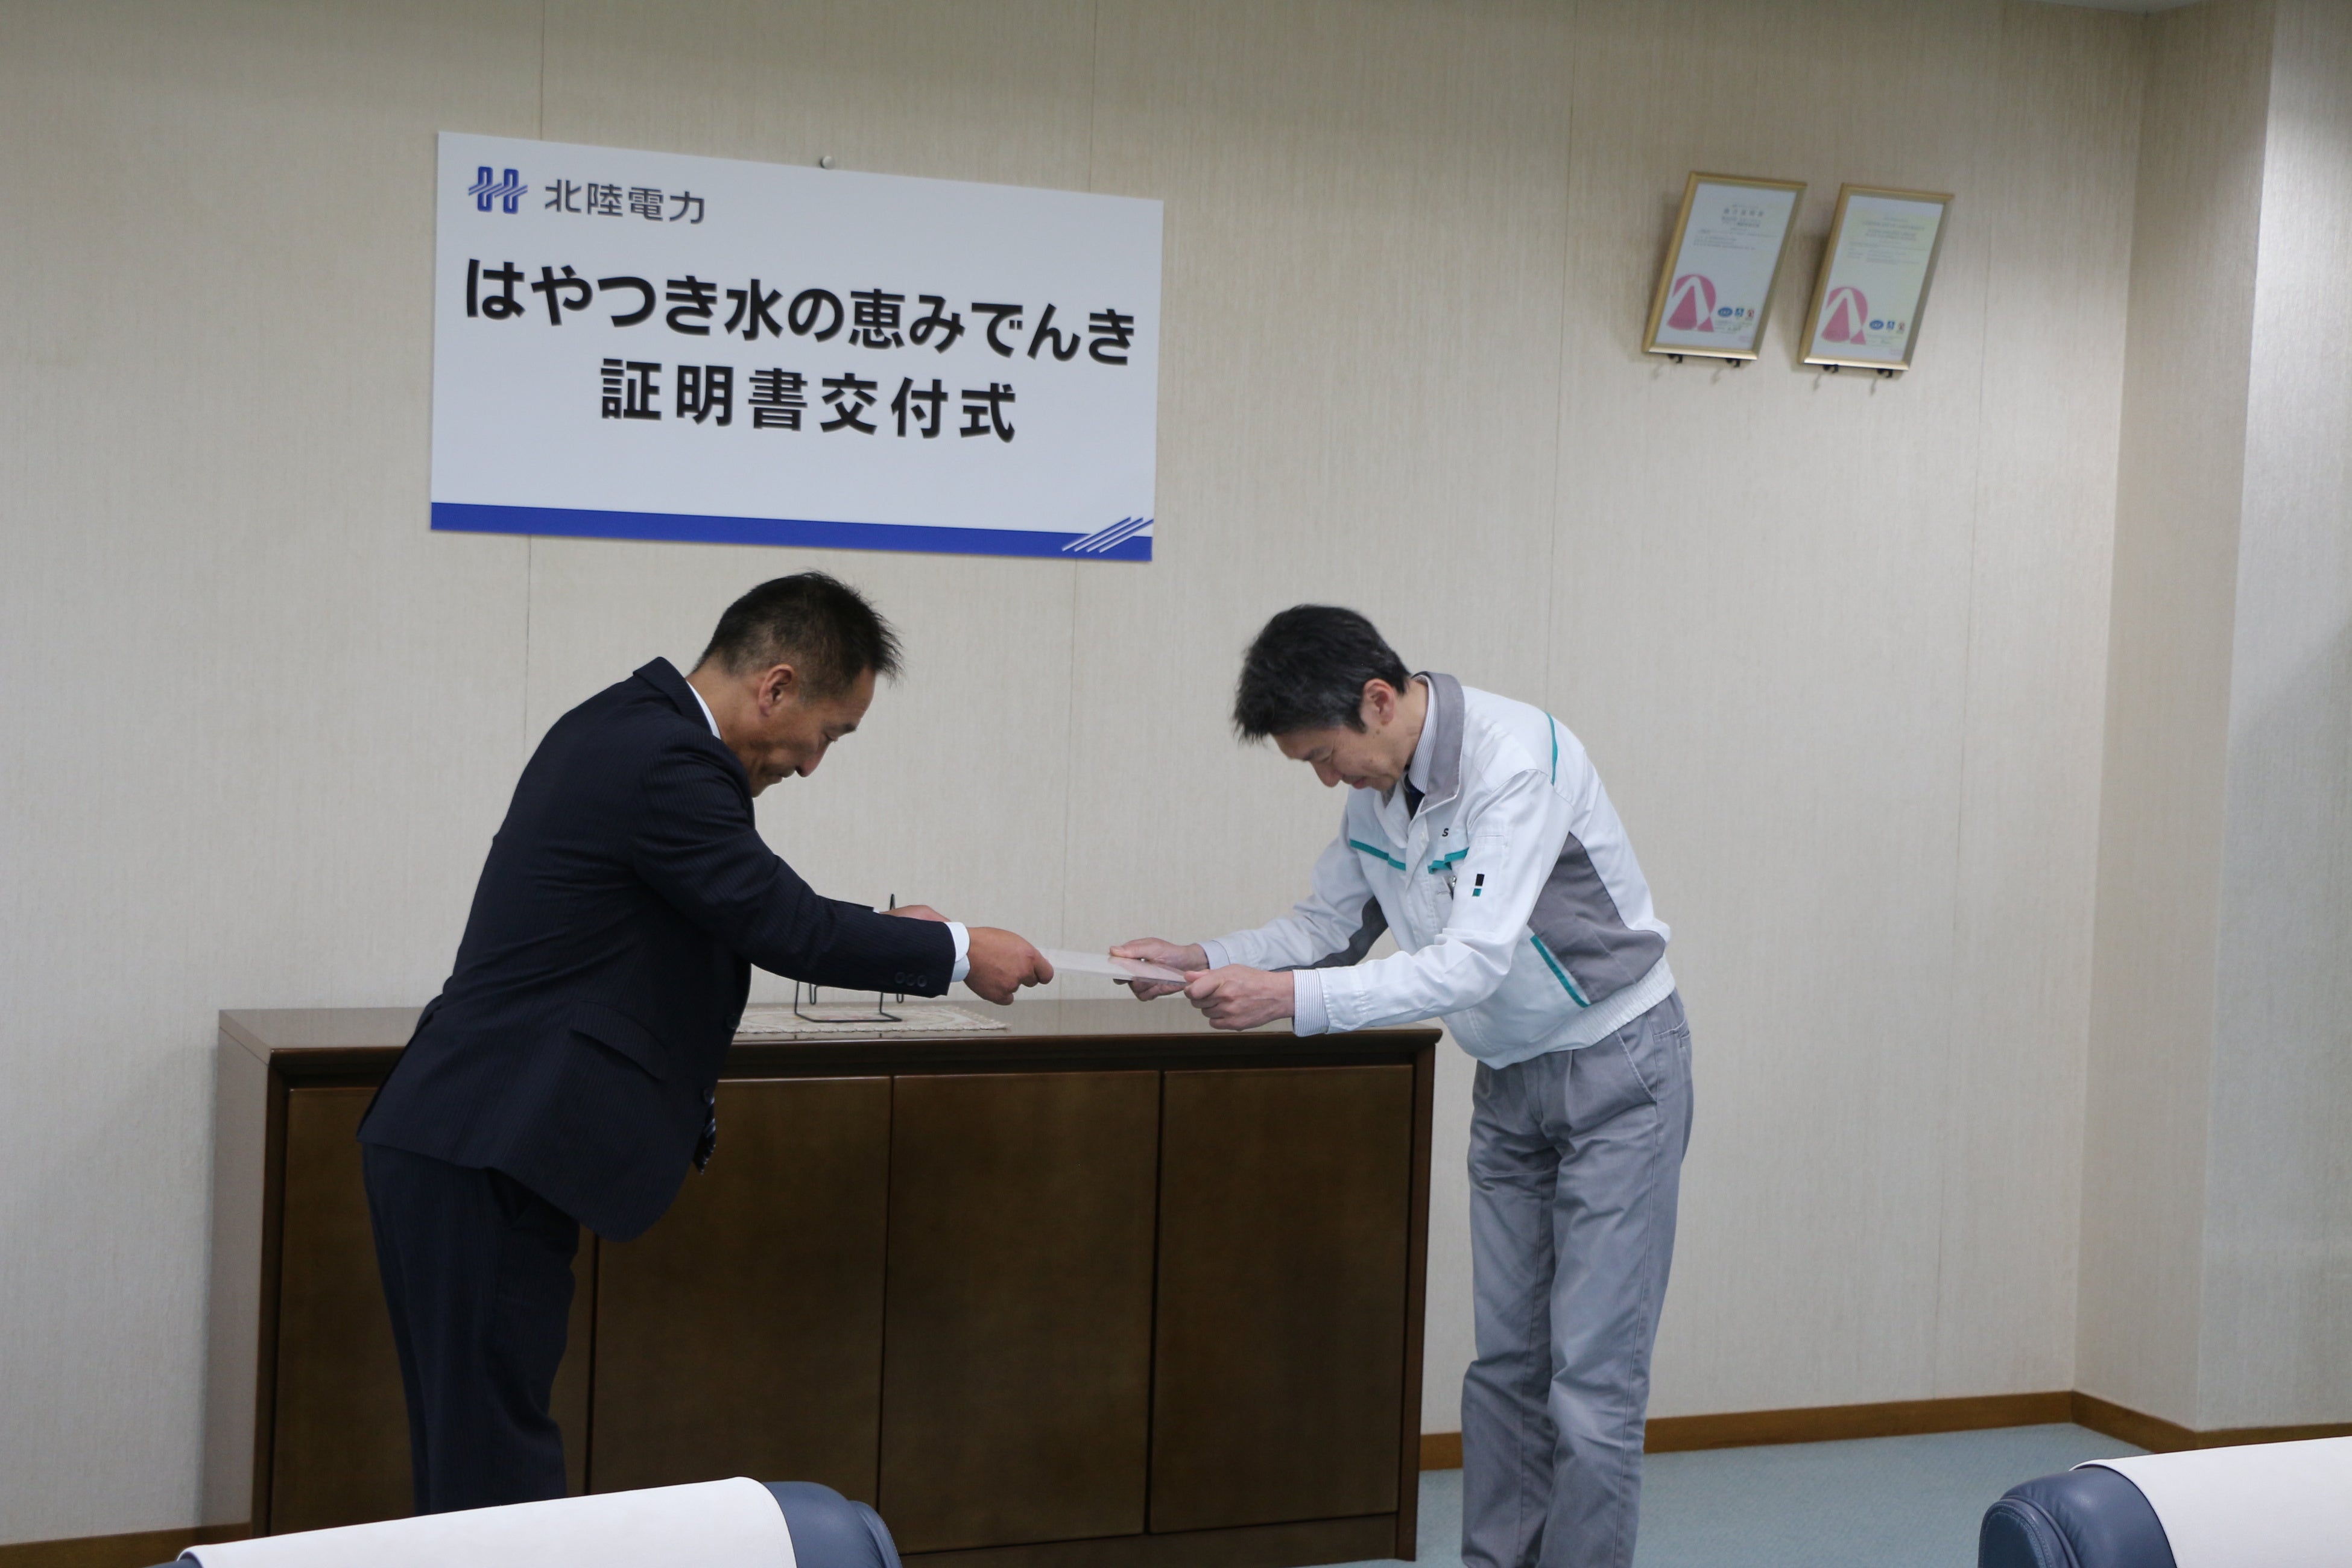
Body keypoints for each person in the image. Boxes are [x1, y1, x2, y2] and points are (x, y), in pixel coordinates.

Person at [358, 572, 1052, 1514]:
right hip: (489, 1142)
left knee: (476, 1455)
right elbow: (779, 922)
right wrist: (961, 951)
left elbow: (734, 900)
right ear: (776, 686)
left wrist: (893, 932)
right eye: (829, 734)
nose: (813, 765)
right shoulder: (665, 757)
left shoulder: (629, 728)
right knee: (494, 1469)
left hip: (473, 1136)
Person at [1114, 605, 1690, 1568]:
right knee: (1506, 1368)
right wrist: (1201, 957)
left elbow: (1469, 963)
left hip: (1617, 1069)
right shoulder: (1376, 793)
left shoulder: (1516, 759)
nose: (1326, 778)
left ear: (1379, 700)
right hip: (1508, 1080)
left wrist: (1290, 1001)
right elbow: (1325, 930)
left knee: (1592, 1384)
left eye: (1324, 756)